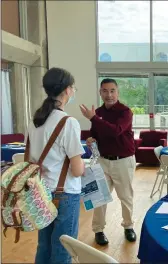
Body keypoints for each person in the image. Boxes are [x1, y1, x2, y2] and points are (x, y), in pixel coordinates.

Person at [29, 67, 85, 264]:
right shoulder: (68, 122)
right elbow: (77, 170)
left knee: (44, 246)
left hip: (40, 191)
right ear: (67, 90)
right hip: (64, 194)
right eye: (73, 88)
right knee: (63, 250)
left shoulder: (36, 120)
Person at [79, 78, 136, 245]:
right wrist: (91, 139)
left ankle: (128, 226)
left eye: (112, 91)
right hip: (103, 161)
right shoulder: (97, 113)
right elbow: (95, 133)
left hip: (123, 161)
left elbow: (116, 131)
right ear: (100, 93)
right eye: (105, 91)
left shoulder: (125, 112)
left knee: (125, 197)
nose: (109, 94)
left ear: (117, 92)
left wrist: (94, 118)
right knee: (99, 197)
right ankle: (98, 230)